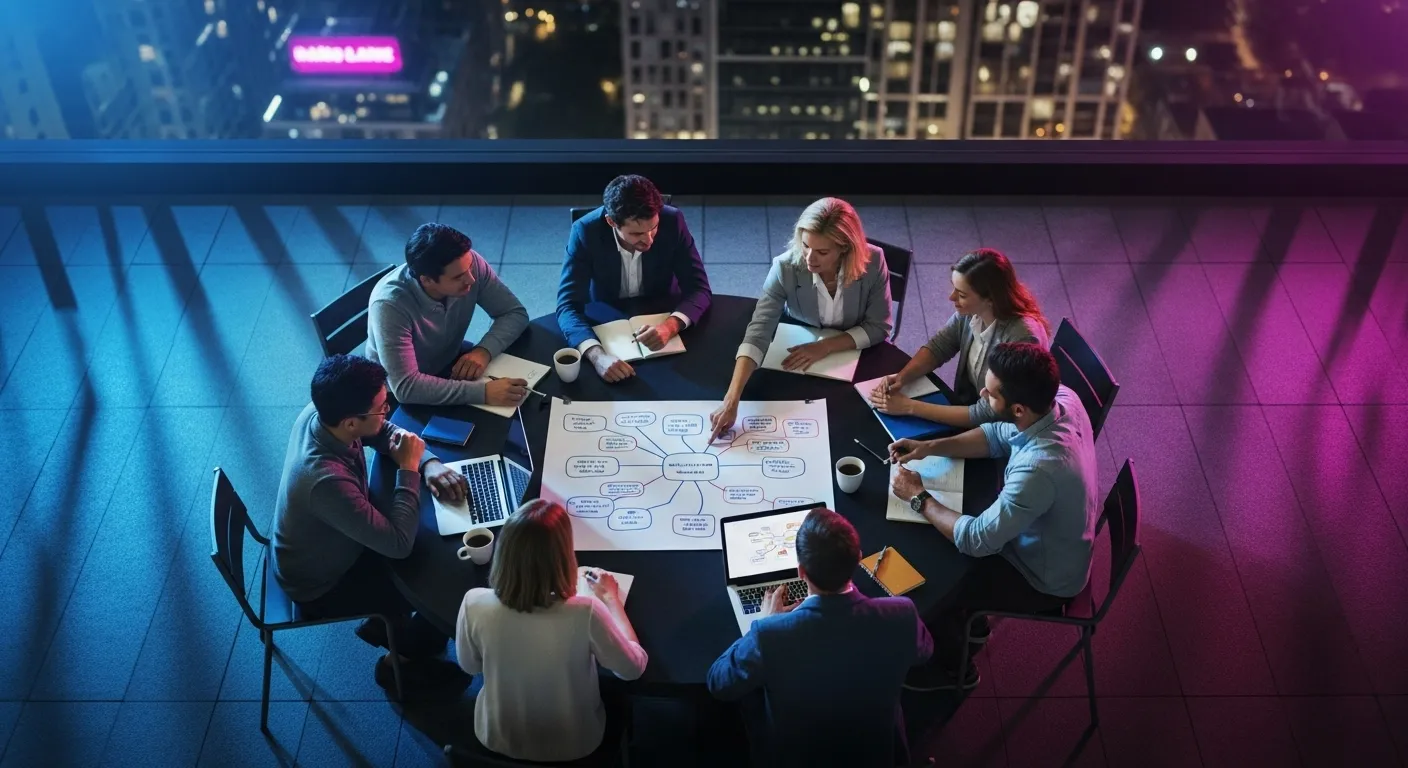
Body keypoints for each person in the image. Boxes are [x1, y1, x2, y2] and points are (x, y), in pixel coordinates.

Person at [887, 342, 1099, 691]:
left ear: (1017, 408)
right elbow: (996, 435)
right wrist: (931, 447)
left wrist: (918, 498)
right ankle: (974, 628)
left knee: (941, 584)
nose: (982, 392)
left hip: (1041, 576)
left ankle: (955, 670)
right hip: (1054, 541)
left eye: (991, 392)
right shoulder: (1060, 399)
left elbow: (975, 540)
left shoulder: (1039, 470)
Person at [271, 354, 471, 685]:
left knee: (429, 540)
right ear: (351, 422)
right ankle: (399, 663)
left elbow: (380, 431)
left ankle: (391, 626)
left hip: (328, 540)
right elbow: (398, 545)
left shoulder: (323, 414)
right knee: (440, 581)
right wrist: (408, 468)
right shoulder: (323, 479)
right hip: (322, 582)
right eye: (381, 406)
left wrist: (428, 463)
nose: (388, 410)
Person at [706, 508, 934, 768]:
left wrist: (764, 622)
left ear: (801, 572)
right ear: (858, 559)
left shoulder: (768, 635)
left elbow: (718, 682)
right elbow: (925, 651)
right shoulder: (901, 613)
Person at [455, 499, 648, 763]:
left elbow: (470, 667)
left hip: (496, 736)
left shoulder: (473, 602)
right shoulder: (586, 612)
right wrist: (612, 600)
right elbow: (633, 668)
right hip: (576, 746)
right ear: (564, 557)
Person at [709, 198, 891, 442]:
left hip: (854, 355)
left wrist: (825, 346)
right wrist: (731, 400)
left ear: (845, 248)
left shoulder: (874, 260)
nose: (809, 259)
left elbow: (879, 326)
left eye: (822, 252)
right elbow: (758, 330)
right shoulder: (785, 266)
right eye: (806, 246)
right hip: (798, 348)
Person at [556, 174, 713, 383]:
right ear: (611, 221)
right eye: (637, 233)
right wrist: (597, 356)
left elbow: (699, 288)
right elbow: (567, 305)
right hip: (608, 318)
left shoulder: (673, 221)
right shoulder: (585, 232)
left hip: (663, 311)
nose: (649, 240)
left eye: (653, 228)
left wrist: (670, 326)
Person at [870, 248, 1050, 429]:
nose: (951, 297)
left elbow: (986, 413)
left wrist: (908, 407)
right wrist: (902, 377)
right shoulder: (972, 312)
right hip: (969, 405)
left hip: (995, 429)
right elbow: (939, 346)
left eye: (962, 295)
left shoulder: (1022, 338)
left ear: (990, 299)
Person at [365, 222, 530, 407]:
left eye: (469, 268)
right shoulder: (389, 306)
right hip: (398, 395)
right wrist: (483, 392)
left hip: (450, 361)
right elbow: (406, 387)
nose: (471, 279)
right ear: (426, 280)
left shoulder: (466, 263)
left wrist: (484, 351)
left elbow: (514, 313)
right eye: (458, 277)